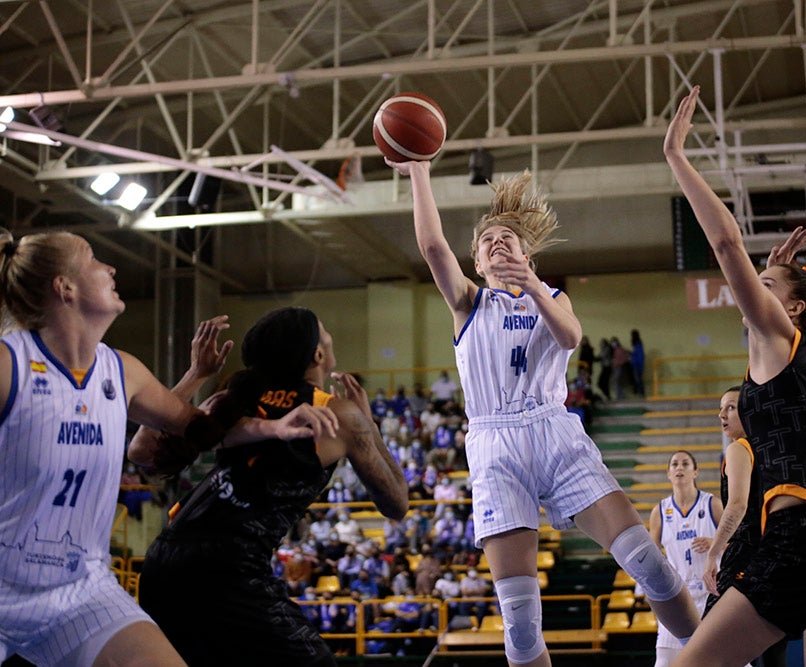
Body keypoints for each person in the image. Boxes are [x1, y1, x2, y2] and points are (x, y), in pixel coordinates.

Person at [387, 158, 700, 667]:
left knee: (650, 564)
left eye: (507, 237)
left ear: (527, 253)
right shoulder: (468, 302)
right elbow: (431, 247)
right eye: (487, 240)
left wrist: (532, 285)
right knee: (521, 620)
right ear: (477, 260)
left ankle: (722, 657)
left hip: (555, 432)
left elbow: (571, 337)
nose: (496, 243)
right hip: (494, 444)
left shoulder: (552, 296)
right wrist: (420, 172)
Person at [0, 230, 342, 667]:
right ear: (64, 288)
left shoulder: (120, 369)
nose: (111, 268)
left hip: (81, 590)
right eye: (92, 260)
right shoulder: (10, 366)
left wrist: (273, 428)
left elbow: (200, 430)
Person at [664, 86, 806, 667]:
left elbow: (726, 241)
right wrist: (781, 273)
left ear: (794, 310)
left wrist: (677, 156)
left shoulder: (780, 339)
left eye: (768, 285)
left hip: (803, 535)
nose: (756, 286)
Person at [137, 306, 409, 667]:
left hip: (165, 559)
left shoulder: (235, 396)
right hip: (227, 567)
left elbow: (143, 451)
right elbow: (397, 503)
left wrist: (196, 374)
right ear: (317, 354)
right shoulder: (338, 414)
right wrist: (370, 430)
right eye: (324, 331)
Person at [702, 387, 787, 667]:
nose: (721, 414)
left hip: (746, 558)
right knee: (773, 651)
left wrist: (714, 553)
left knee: (706, 644)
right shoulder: (773, 450)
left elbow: (737, 506)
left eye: (731, 407)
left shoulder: (739, 448)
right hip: (774, 557)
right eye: (721, 408)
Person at [648, 451, 723, 666]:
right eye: (674, 464)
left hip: (712, 595)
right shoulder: (660, 511)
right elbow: (652, 557)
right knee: (664, 661)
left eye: (685, 463)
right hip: (679, 599)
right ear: (668, 474)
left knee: (728, 658)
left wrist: (715, 544)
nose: (679, 467)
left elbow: (739, 543)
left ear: (695, 471)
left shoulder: (712, 504)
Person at [630, 329, 646, 397]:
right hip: (637, 364)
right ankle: (640, 392)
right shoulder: (638, 345)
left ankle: (641, 393)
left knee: (638, 379)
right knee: (638, 379)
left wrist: (632, 356)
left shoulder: (638, 344)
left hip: (637, 364)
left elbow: (639, 356)